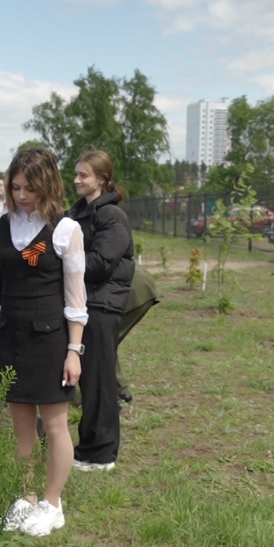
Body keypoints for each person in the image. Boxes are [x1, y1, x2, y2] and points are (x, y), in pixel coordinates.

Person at [0, 147, 87, 538]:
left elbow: (77, 300)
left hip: (50, 339)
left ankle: (52, 503)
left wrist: (74, 351)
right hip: (11, 334)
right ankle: (25, 497)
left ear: (47, 185)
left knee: (56, 423)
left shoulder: (66, 230)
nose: (22, 195)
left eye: (30, 188)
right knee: (21, 427)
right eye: (15, 187)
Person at [64, 151, 135, 473]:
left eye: (84, 175)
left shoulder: (111, 217)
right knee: (87, 379)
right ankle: (87, 446)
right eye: (77, 174)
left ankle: (101, 453)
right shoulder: (78, 212)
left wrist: (60, 263)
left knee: (100, 381)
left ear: (102, 179)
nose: (77, 180)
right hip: (82, 303)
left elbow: (100, 263)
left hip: (102, 305)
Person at [116, 268, 160, 404]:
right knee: (104, 343)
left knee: (98, 343)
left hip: (131, 287)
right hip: (141, 281)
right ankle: (119, 392)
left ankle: (111, 396)